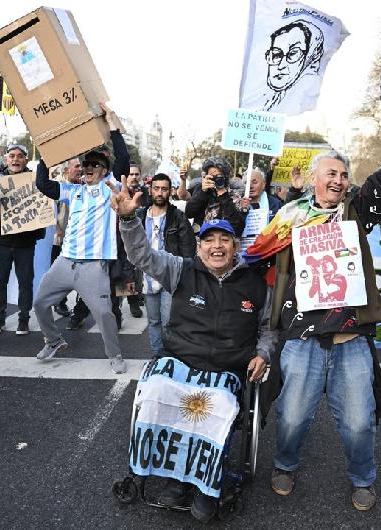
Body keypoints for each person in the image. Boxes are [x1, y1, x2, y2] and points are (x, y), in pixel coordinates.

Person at [252, 87, 381, 512]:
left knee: (360, 423)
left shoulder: (355, 213)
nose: (339, 181)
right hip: (302, 338)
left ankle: (364, 479)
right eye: (332, 174)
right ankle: (285, 465)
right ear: (313, 178)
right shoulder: (289, 218)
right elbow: (255, 258)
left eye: (344, 175)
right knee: (292, 417)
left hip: (351, 339)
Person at [109, 174, 274, 522]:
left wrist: (263, 353)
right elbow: (141, 255)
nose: (217, 246)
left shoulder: (256, 285)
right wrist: (128, 219)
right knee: (155, 392)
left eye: (225, 240)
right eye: (209, 240)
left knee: (218, 405)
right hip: (180, 360)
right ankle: (174, 478)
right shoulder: (181, 269)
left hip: (227, 368)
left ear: (236, 247)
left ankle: (205, 485)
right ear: (199, 247)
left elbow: (268, 328)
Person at [32, 102, 130, 374]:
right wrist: (46, 154)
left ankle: (115, 355)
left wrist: (112, 127)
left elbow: (123, 159)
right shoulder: (72, 190)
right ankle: (53, 340)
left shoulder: (110, 187)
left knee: (104, 313)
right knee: (40, 303)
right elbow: (43, 184)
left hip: (93, 266)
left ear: (104, 171)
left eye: (94, 164)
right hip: (65, 262)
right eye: (86, 163)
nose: (88, 167)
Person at [0, 144, 47, 335]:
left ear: (26, 160)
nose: (15, 159)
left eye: (19, 156)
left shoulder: (35, 181)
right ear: (6, 160)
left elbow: (43, 207)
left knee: (26, 282)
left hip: (25, 243)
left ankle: (23, 319)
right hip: (1, 243)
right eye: (11, 156)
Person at [135, 173, 196, 355]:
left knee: (169, 321)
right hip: (147, 278)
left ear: (170, 191)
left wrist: (186, 277)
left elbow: (188, 249)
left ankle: (170, 356)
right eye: (156, 188)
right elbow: (131, 247)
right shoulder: (140, 216)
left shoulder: (178, 217)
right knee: (153, 321)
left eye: (164, 189)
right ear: (150, 190)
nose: (160, 193)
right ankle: (157, 355)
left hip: (171, 278)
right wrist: (130, 276)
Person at [263, 20, 324, 111]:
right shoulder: (271, 103)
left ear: (309, 57)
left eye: (293, 54)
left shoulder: (307, 101)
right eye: (276, 55)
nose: (281, 66)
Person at [51, 158, 82, 318]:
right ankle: (59, 302)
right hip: (59, 239)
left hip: (75, 238)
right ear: (66, 170)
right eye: (76, 166)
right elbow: (50, 211)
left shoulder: (80, 186)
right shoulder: (57, 187)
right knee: (60, 272)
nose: (80, 169)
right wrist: (57, 230)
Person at [185, 156, 245, 235]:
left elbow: (237, 227)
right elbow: (189, 213)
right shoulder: (202, 190)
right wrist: (202, 193)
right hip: (202, 239)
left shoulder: (234, 195)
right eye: (212, 177)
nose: (216, 180)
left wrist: (223, 195)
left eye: (219, 176)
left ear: (226, 177)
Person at [125, 163, 152, 318]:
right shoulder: (121, 191)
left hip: (143, 238)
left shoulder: (146, 192)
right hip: (124, 239)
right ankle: (132, 302)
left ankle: (140, 295)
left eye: (136, 174)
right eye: (131, 174)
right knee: (127, 272)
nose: (134, 177)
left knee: (141, 271)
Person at [238, 169, 283, 251]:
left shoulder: (275, 204)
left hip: (269, 252)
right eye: (246, 183)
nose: (250, 186)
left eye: (254, 182)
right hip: (243, 251)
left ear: (263, 184)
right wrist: (241, 211)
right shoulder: (236, 204)